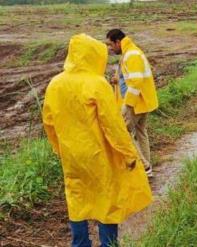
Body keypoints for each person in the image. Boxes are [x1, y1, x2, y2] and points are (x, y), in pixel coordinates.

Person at [42, 33, 152, 247]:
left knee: (76, 198)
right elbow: (113, 126)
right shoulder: (97, 84)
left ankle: (80, 243)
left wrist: (59, 149)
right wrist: (129, 155)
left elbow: (49, 123)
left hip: (71, 156)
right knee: (107, 198)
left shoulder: (55, 84)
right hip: (99, 155)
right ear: (93, 56)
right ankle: (108, 244)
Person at [106, 29, 158, 178]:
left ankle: (144, 166)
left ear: (118, 42)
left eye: (111, 44)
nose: (110, 48)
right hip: (142, 102)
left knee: (123, 131)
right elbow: (132, 77)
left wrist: (128, 104)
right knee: (141, 133)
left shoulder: (131, 54)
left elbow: (136, 82)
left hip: (135, 103)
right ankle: (148, 168)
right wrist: (118, 80)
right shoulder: (130, 52)